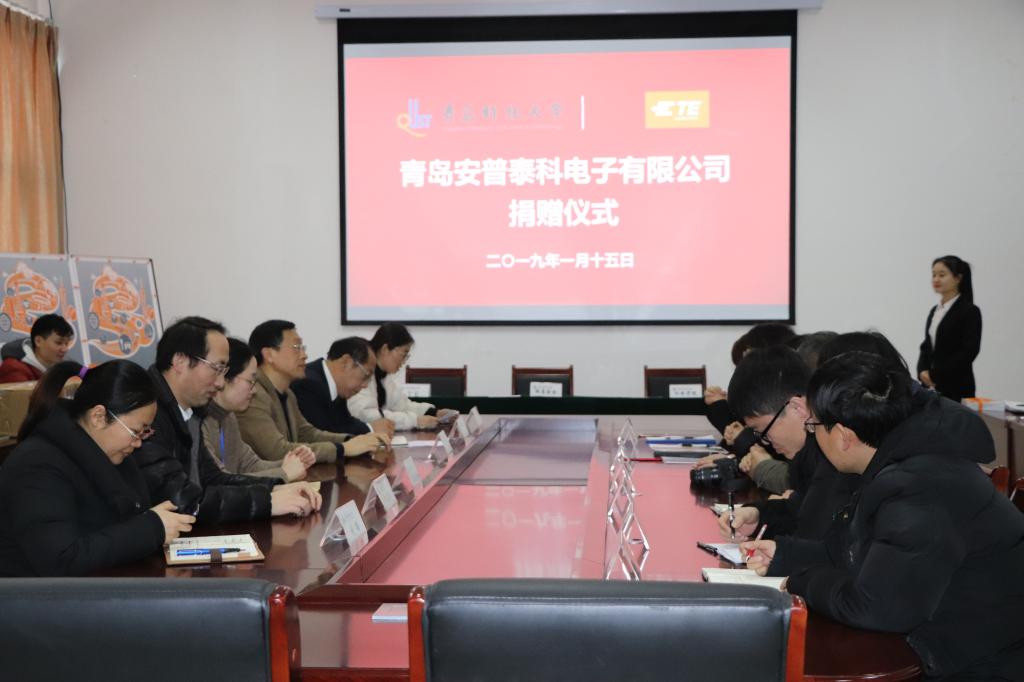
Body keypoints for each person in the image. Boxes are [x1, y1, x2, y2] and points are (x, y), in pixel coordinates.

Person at [744, 352, 1024, 680]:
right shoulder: (898, 461)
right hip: (945, 649)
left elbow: (876, 607)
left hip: (981, 665)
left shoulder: (922, 486)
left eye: (814, 426)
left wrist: (800, 581)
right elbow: (856, 553)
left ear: (844, 436)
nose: (812, 435)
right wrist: (784, 556)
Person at [0, 360, 195, 576]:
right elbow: (60, 559)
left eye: (145, 432)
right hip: (34, 595)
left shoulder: (110, 454)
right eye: (136, 431)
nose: (139, 443)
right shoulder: (38, 465)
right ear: (99, 417)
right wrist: (152, 529)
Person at [134, 316, 322, 523]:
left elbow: (213, 479)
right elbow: (181, 502)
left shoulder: (190, 412)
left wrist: (275, 487)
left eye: (223, 372)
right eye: (216, 368)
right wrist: (267, 501)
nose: (221, 383)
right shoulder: (146, 413)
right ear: (180, 361)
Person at [717, 345, 858, 542]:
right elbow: (799, 510)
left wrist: (782, 553)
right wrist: (757, 516)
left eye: (764, 430)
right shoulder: (807, 454)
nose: (764, 440)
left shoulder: (837, 456)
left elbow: (818, 537)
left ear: (797, 408)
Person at [237, 320, 388, 465]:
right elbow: (277, 451)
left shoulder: (287, 393)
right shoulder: (253, 394)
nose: (304, 355)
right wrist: (343, 449)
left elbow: (307, 433)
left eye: (303, 347)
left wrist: (351, 440)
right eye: (296, 347)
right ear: (269, 354)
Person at [203, 338, 316, 482]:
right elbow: (220, 481)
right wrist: (284, 473)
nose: (254, 390)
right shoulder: (199, 421)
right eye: (251, 381)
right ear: (224, 377)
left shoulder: (227, 416)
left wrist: (295, 462)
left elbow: (251, 465)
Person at [348, 322, 454, 431]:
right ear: (385, 349)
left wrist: (435, 412)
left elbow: (402, 405)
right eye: (404, 354)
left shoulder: (384, 376)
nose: (404, 361)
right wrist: (415, 421)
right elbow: (366, 415)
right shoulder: (361, 372)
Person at [292, 336, 395, 438]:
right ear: (346, 362)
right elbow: (321, 433)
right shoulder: (307, 383)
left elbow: (346, 422)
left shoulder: (337, 386)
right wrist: (370, 429)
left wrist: (370, 427)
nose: (365, 385)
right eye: (366, 376)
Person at [917, 255, 982, 402]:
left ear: (958, 278)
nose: (936, 279)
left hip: (957, 386)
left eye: (942, 275)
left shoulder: (969, 311)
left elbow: (969, 351)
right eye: (933, 275)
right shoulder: (935, 311)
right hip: (931, 386)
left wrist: (935, 375)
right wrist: (922, 371)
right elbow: (927, 345)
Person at [0, 313, 75, 383]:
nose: (65, 349)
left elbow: (81, 374)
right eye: (58, 343)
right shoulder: (14, 368)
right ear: (38, 341)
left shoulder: (63, 364)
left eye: (66, 343)